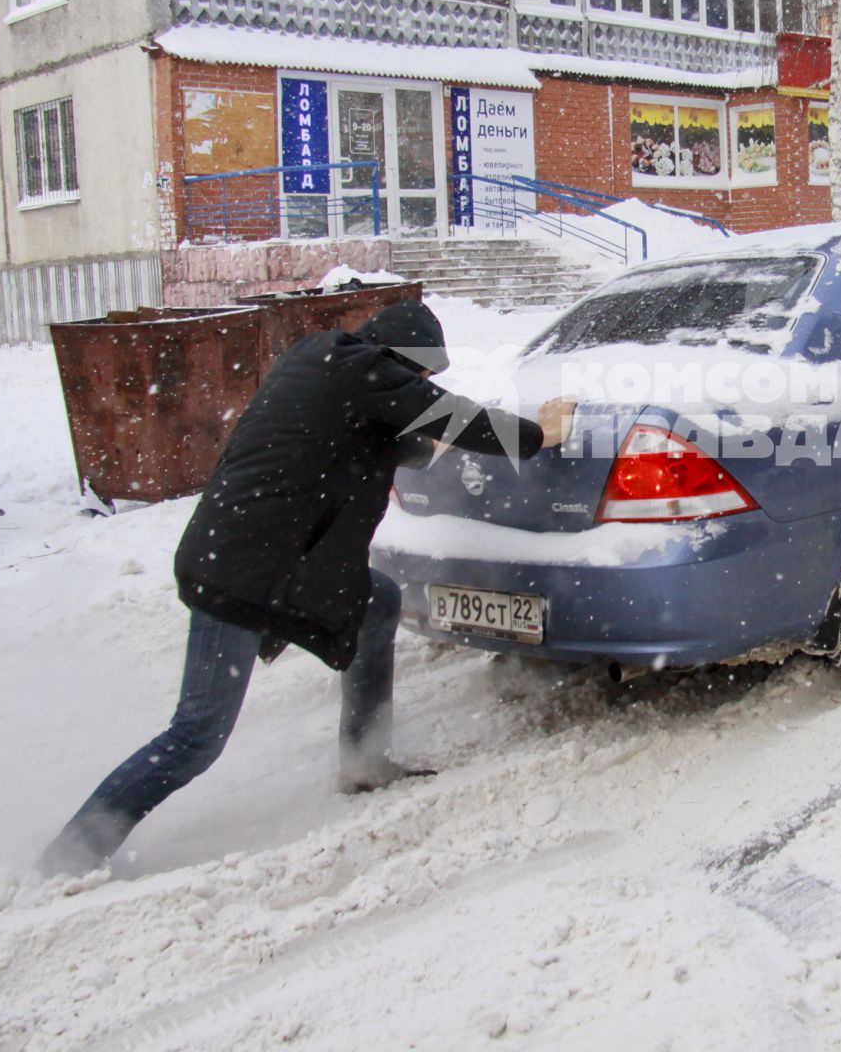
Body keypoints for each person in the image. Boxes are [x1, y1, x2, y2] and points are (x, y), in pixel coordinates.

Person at [39, 300, 545, 877]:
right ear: (408, 362)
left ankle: (364, 760)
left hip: (252, 554)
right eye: (423, 377)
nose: (421, 388)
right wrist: (538, 432)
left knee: (376, 603)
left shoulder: (325, 361)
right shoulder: (369, 374)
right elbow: (459, 420)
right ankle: (71, 855)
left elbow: (405, 442)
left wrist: (437, 439)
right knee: (196, 736)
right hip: (244, 571)